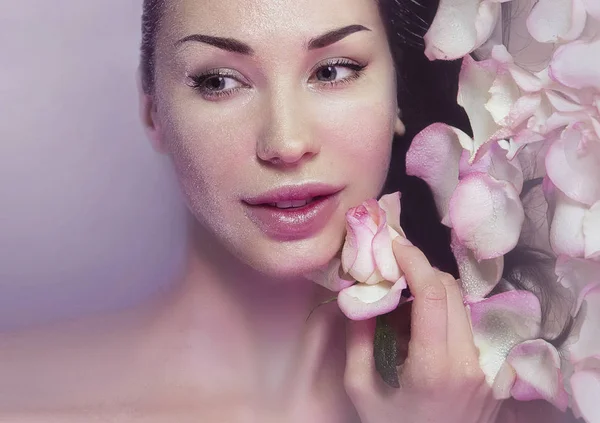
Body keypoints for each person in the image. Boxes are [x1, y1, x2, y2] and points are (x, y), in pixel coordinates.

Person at [0, 0, 579, 421]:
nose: (285, 141)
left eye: (332, 71)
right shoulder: (23, 400)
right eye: (220, 80)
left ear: (396, 97)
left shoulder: (527, 399)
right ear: (153, 111)